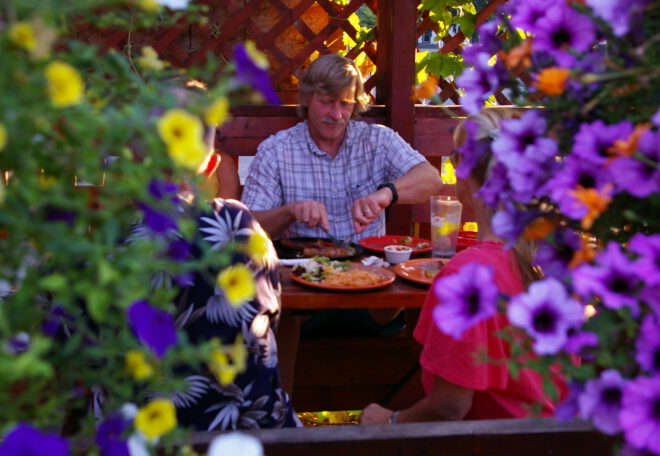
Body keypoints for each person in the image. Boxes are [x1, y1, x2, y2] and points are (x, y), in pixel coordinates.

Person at [359, 108, 567, 425]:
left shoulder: (468, 275)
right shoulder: (551, 261)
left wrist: (388, 421)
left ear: (466, 173)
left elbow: (448, 408)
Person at [128, 109, 300, 431]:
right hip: (257, 441)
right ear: (209, 168)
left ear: (133, 162)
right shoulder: (241, 227)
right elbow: (271, 316)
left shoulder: (104, 248)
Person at [241, 53, 443, 241]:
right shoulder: (276, 150)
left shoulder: (378, 140)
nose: (336, 115)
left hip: (369, 271)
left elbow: (431, 180)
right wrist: (290, 212)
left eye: (345, 104)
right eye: (327, 102)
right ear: (306, 99)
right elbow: (247, 228)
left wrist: (386, 194)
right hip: (303, 270)